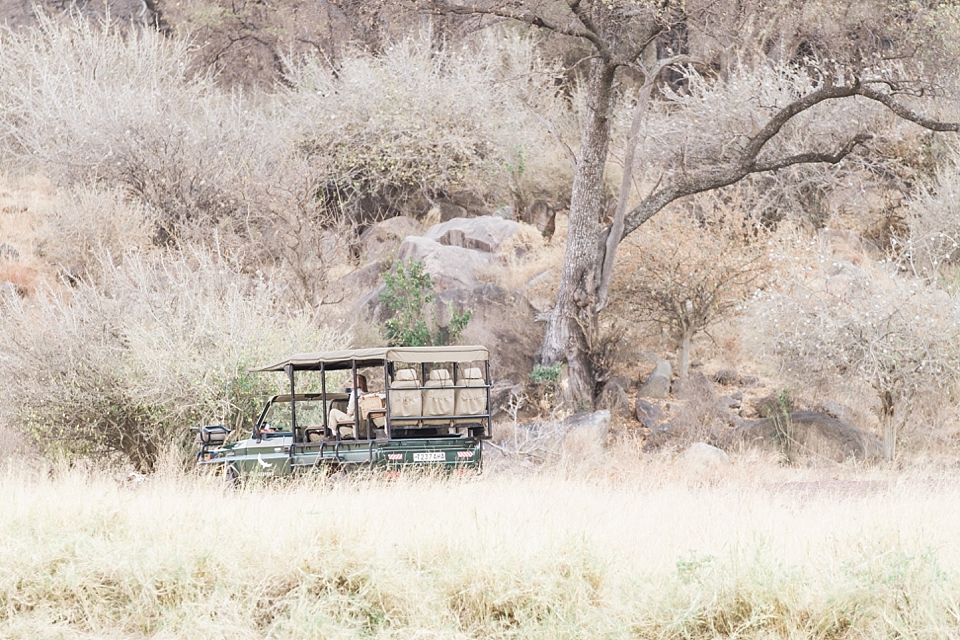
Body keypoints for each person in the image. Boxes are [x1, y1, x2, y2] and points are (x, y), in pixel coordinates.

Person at [328, 373, 367, 438]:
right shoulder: (363, 393)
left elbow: (350, 412)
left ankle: (334, 435)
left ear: (360, 383)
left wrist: (344, 420)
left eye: (354, 380)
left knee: (333, 412)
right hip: (361, 422)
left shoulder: (355, 393)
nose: (352, 382)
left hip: (354, 421)